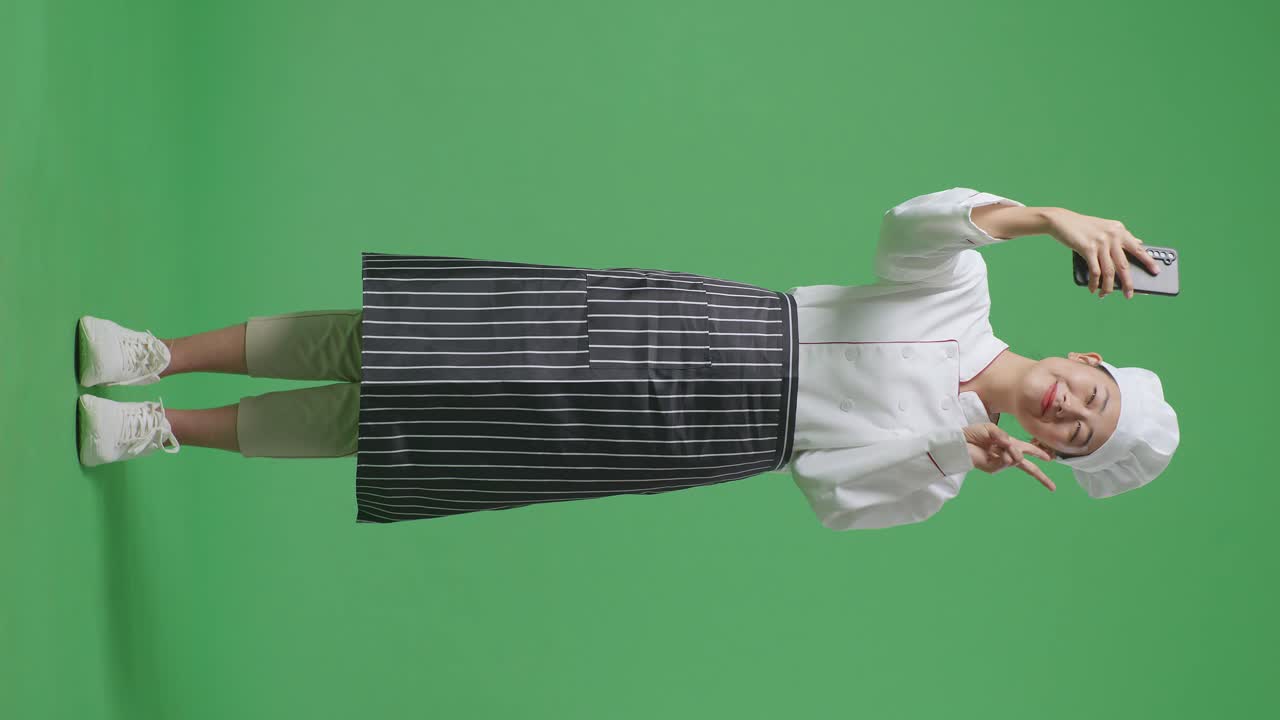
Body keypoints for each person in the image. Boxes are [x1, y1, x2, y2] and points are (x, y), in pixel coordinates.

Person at [75, 186, 1179, 529]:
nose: (1070, 407)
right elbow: (913, 225)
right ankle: (157, 354)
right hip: (702, 327)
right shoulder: (962, 294)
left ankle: (163, 427)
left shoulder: (941, 476)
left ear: (1056, 449)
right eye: (1092, 391)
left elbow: (830, 490)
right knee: (405, 336)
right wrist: (1047, 216)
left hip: (692, 436)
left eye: (1081, 431)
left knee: (407, 429)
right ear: (1086, 353)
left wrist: (948, 444)